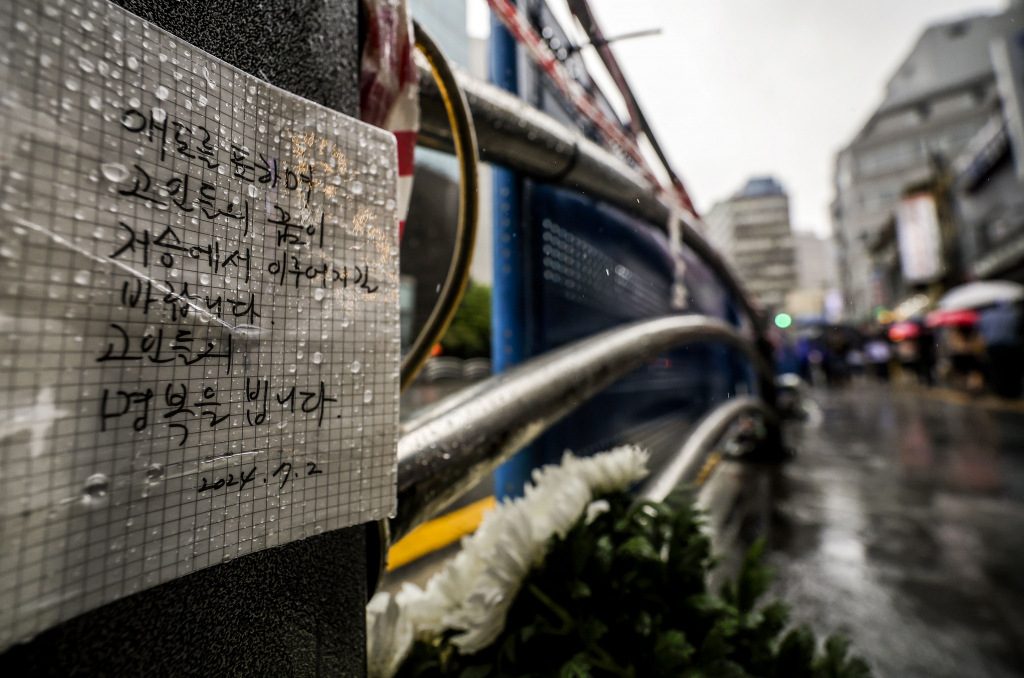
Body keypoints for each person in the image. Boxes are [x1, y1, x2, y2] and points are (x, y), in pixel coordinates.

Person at [977, 301, 1023, 398]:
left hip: (994, 346)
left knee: (996, 369)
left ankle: (999, 391)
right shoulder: (1015, 314)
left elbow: (981, 331)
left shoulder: (986, 315)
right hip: (1012, 346)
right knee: (1012, 369)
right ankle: (1013, 392)